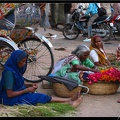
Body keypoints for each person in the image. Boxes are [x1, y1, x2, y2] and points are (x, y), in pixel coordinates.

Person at [0, 50, 83, 107]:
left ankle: (68, 100)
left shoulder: (15, 70)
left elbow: (15, 84)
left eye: (25, 61)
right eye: (22, 61)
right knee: (39, 97)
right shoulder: (9, 73)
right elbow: (9, 94)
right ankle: (69, 101)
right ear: (15, 61)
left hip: (16, 93)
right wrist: (26, 90)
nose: (23, 64)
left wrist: (29, 85)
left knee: (37, 96)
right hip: (8, 99)